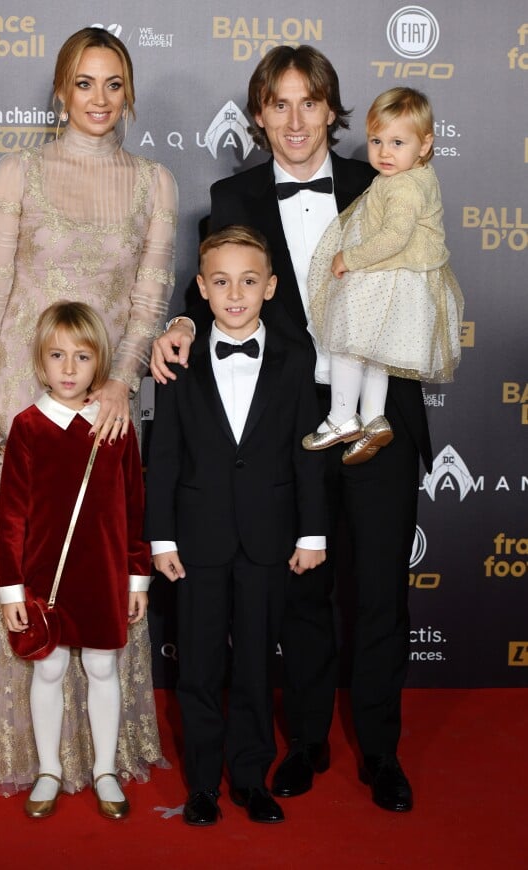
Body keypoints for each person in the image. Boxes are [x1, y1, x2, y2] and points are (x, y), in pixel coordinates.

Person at [150, 45, 432, 812]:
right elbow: (208, 279)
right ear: (260, 115)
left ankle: (380, 751)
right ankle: (305, 742)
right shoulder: (231, 192)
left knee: (378, 591)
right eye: (280, 103)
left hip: (375, 418)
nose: (296, 119)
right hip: (285, 430)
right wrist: (179, 318)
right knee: (300, 596)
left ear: (333, 112)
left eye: (311, 102)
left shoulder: (381, 181)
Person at [0, 26, 177, 796]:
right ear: (59, 90)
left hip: (104, 411)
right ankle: (33, 759)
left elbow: (147, 301)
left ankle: (101, 758)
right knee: (25, 568)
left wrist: (126, 379)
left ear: (130, 93)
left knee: (99, 573)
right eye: (84, 83)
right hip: (21, 405)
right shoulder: (15, 172)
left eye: (114, 84)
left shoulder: (156, 182)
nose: (99, 100)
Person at [144, 226, 327, 826]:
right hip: (197, 537)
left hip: (269, 535)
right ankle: (202, 784)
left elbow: (308, 451)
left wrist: (312, 532)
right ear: (201, 288)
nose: (236, 294)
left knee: (255, 662)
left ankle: (250, 777)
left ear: (271, 287)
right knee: (197, 665)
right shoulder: (177, 357)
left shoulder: (297, 357)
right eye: (220, 283)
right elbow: (164, 454)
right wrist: (162, 536)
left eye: (249, 281)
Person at [0, 301, 151, 819]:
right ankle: (49, 770)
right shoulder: (27, 427)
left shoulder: (117, 426)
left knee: (104, 666)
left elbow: (134, 508)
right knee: (50, 668)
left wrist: (137, 580)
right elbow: (11, 517)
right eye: (57, 356)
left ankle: (105, 769)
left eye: (81, 358)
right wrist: (12, 590)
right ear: (40, 363)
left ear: (99, 364)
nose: (68, 369)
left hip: (104, 574)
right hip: (44, 578)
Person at [303, 87, 463, 459]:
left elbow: (394, 237)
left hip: (385, 277)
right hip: (401, 280)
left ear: (424, 145)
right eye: (376, 140)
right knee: (375, 353)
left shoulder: (405, 187)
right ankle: (374, 418)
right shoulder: (413, 177)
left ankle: (342, 416)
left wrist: (350, 258)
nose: (384, 152)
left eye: (397, 142)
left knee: (346, 342)